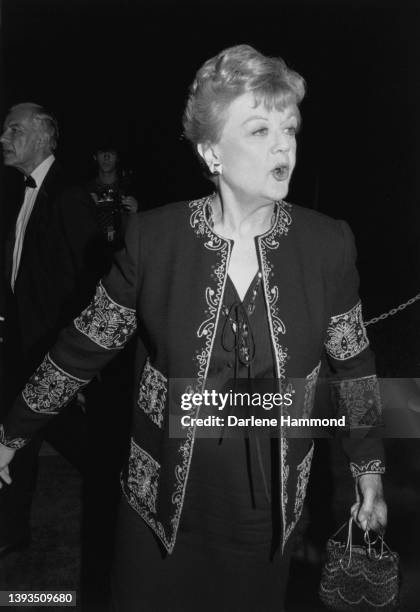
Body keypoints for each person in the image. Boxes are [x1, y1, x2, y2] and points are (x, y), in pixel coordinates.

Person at [0, 47, 387, 611]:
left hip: (267, 510)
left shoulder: (328, 244)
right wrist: (11, 433)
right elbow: (83, 347)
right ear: (212, 151)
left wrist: (369, 469)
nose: (284, 145)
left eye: (290, 128)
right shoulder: (155, 240)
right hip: (160, 505)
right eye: (260, 130)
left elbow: (353, 367)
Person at [0, 102, 103, 556]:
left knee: (79, 444)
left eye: (14, 130)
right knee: (16, 438)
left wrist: (78, 362)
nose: (4, 138)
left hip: (52, 352)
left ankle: (124, 505)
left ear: (43, 135)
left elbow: (88, 280)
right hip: (19, 345)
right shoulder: (17, 192)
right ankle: (11, 532)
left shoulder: (68, 196)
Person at [86, 143, 139, 251]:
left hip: (123, 252)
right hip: (95, 252)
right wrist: (87, 208)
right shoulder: (85, 191)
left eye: (111, 152)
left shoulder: (130, 189)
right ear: (95, 156)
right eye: (102, 152)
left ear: (118, 157)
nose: (106, 157)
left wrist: (136, 212)